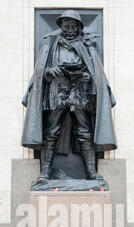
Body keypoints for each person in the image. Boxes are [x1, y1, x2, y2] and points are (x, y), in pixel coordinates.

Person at [21, 9, 117, 181]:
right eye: (67, 26)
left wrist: (87, 77)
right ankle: (45, 173)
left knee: (84, 132)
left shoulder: (87, 48)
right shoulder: (50, 46)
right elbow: (41, 72)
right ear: (61, 27)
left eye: (73, 27)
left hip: (79, 94)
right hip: (57, 93)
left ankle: (91, 172)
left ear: (79, 28)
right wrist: (51, 71)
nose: (70, 30)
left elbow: (96, 74)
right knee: (51, 132)